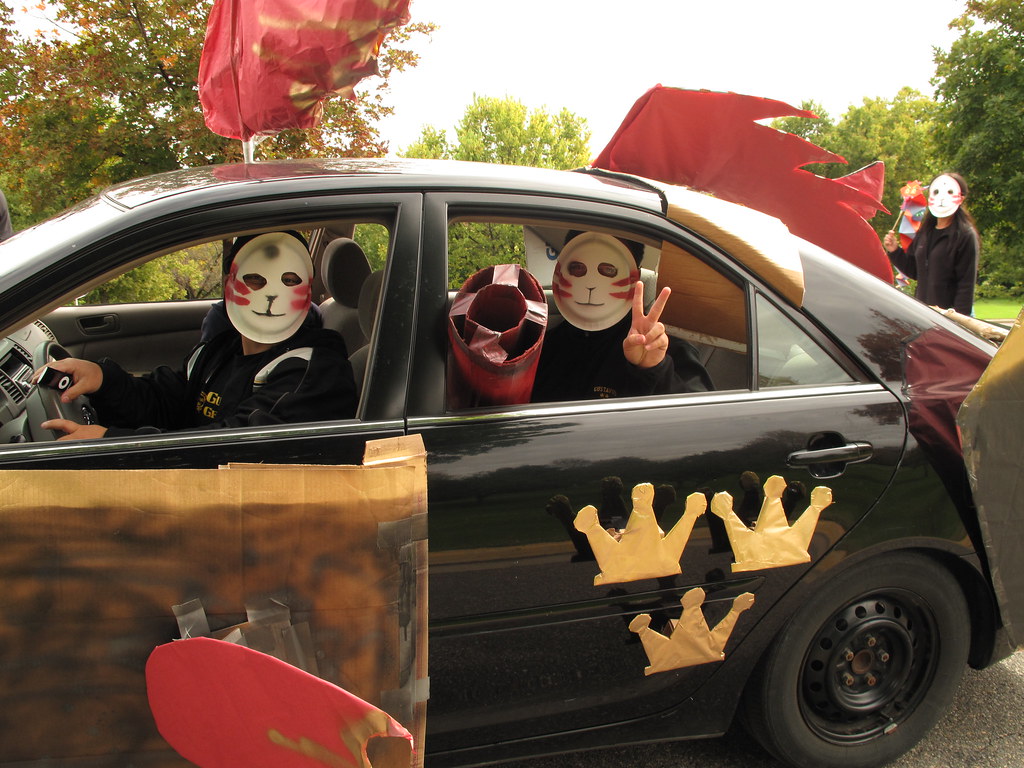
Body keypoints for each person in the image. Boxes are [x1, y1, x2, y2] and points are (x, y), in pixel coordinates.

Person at [36, 231, 357, 440]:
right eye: (256, 279)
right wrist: (103, 379)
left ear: (307, 287)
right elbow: (167, 401)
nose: (272, 294)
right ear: (230, 284)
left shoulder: (316, 371)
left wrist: (110, 440)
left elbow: (234, 443)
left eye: (289, 279)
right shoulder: (219, 349)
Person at [531, 232, 712, 402]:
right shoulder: (542, 348)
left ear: (636, 277)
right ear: (560, 271)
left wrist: (654, 368)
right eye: (577, 267)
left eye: (609, 269)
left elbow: (707, 421)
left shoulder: (660, 346)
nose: (591, 283)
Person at [883, 172, 980, 316]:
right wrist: (895, 251)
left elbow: (966, 285)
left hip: (950, 317)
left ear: (961, 199)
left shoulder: (965, 235)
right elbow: (915, 271)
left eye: (949, 192)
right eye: (936, 192)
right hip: (924, 314)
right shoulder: (925, 232)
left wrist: (958, 322)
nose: (941, 198)